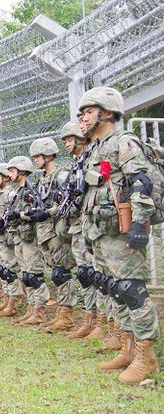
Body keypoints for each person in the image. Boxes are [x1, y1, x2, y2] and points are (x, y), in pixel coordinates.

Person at [78, 86, 159, 385]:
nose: (82, 119)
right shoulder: (96, 148)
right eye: (82, 114)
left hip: (123, 231)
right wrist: (89, 232)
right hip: (102, 232)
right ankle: (127, 349)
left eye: (88, 112)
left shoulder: (123, 142)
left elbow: (141, 182)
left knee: (132, 290)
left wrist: (140, 223)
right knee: (114, 288)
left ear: (107, 112)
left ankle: (146, 357)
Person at [58, 121, 103, 341]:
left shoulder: (94, 158)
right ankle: (90, 320)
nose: (67, 144)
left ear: (80, 138)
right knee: (84, 274)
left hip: (94, 225)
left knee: (97, 275)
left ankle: (103, 324)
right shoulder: (78, 164)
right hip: (80, 226)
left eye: (69, 139)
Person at [27, 138, 77, 332]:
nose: (35, 160)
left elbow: (67, 203)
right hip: (45, 230)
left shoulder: (60, 175)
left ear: (48, 155)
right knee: (56, 273)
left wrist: (48, 212)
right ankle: (61, 313)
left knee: (62, 272)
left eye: (38, 156)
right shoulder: (43, 178)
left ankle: (67, 316)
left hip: (57, 228)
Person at [4, 156, 51, 326]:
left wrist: (19, 215)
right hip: (20, 237)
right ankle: (32, 309)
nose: (10, 174)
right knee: (26, 276)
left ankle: (39, 310)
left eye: (12, 170)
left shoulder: (31, 190)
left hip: (30, 237)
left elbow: (35, 212)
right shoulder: (18, 192)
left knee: (34, 275)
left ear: (22, 171)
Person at [0, 163, 24, 318]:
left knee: (9, 269)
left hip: (8, 235)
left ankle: (14, 302)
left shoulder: (11, 193)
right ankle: (7, 298)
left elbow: (14, 213)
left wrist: (4, 221)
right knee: (1, 269)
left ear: (6, 178)